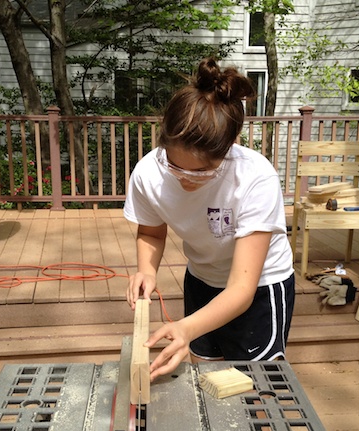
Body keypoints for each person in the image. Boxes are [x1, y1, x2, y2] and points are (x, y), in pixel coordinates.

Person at [124, 58, 295, 381]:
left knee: (256, 381)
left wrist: (185, 328)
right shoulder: (148, 173)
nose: (187, 179)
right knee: (209, 373)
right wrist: (146, 270)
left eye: (202, 171)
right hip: (202, 279)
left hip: (259, 287)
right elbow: (151, 232)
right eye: (177, 167)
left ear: (229, 148)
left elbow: (242, 288)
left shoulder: (255, 178)